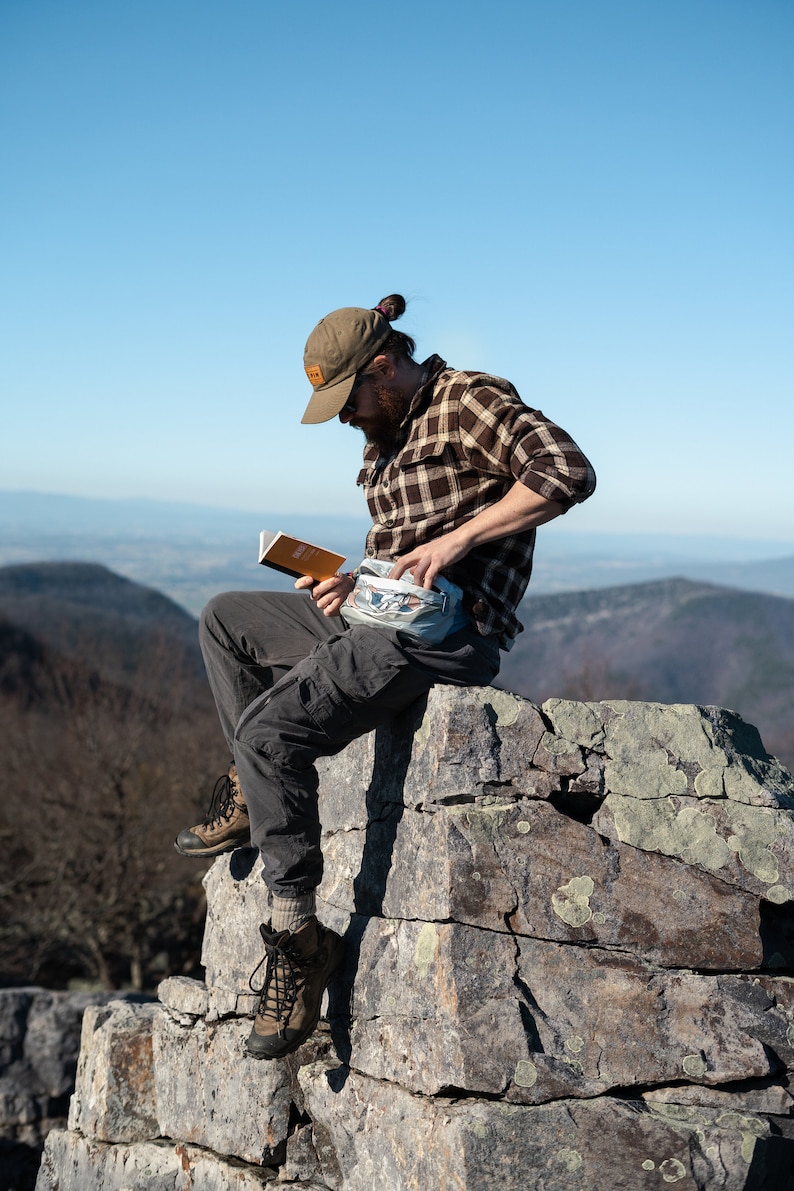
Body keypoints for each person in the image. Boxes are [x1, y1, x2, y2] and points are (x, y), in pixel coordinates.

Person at [175, 293, 596, 1059]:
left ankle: (300, 940)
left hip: (446, 632)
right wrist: (351, 581)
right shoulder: (390, 428)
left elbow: (567, 471)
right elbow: (402, 549)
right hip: (383, 609)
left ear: (384, 366)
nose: (344, 417)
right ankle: (252, 784)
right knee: (225, 619)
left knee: (270, 733)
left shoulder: (466, 398)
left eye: (351, 398)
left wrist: (456, 543)